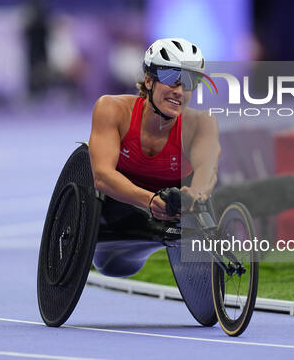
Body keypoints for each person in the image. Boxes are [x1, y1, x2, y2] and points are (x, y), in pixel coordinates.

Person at [88, 38, 220, 276]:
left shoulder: (201, 124)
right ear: (148, 80)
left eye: (189, 82)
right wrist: (150, 201)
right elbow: (102, 176)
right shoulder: (112, 109)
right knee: (114, 265)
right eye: (171, 79)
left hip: (165, 219)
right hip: (111, 219)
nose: (179, 91)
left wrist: (194, 195)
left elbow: (206, 170)